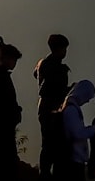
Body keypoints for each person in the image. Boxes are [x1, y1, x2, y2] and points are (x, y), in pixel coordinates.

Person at [34, 33, 71, 180]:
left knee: (48, 143)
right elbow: (53, 88)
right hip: (53, 108)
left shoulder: (43, 64)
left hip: (45, 107)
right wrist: (70, 90)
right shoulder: (55, 66)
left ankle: (46, 172)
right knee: (53, 144)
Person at [0, 44, 23, 181]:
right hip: (3, 124)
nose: (14, 64)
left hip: (2, 123)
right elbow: (2, 101)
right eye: (13, 59)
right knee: (6, 160)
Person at [58, 80, 95, 181]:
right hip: (73, 162)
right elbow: (78, 133)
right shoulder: (71, 110)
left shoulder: (70, 108)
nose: (87, 101)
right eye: (87, 97)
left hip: (74, 161)